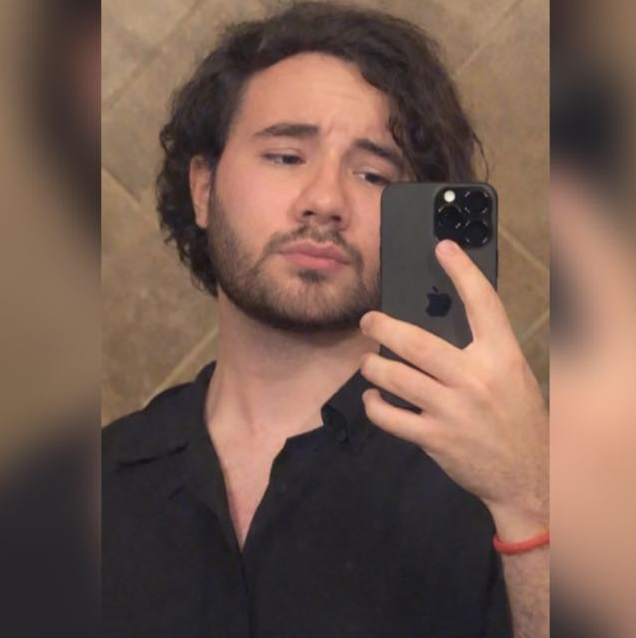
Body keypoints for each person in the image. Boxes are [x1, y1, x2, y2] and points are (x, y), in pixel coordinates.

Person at [103, 3, 549, 636]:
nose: (325, 200)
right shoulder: (91, 488)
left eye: (372, 174)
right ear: (203, 188)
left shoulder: (497, 474)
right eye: (286, 156)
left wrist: (531, 498)